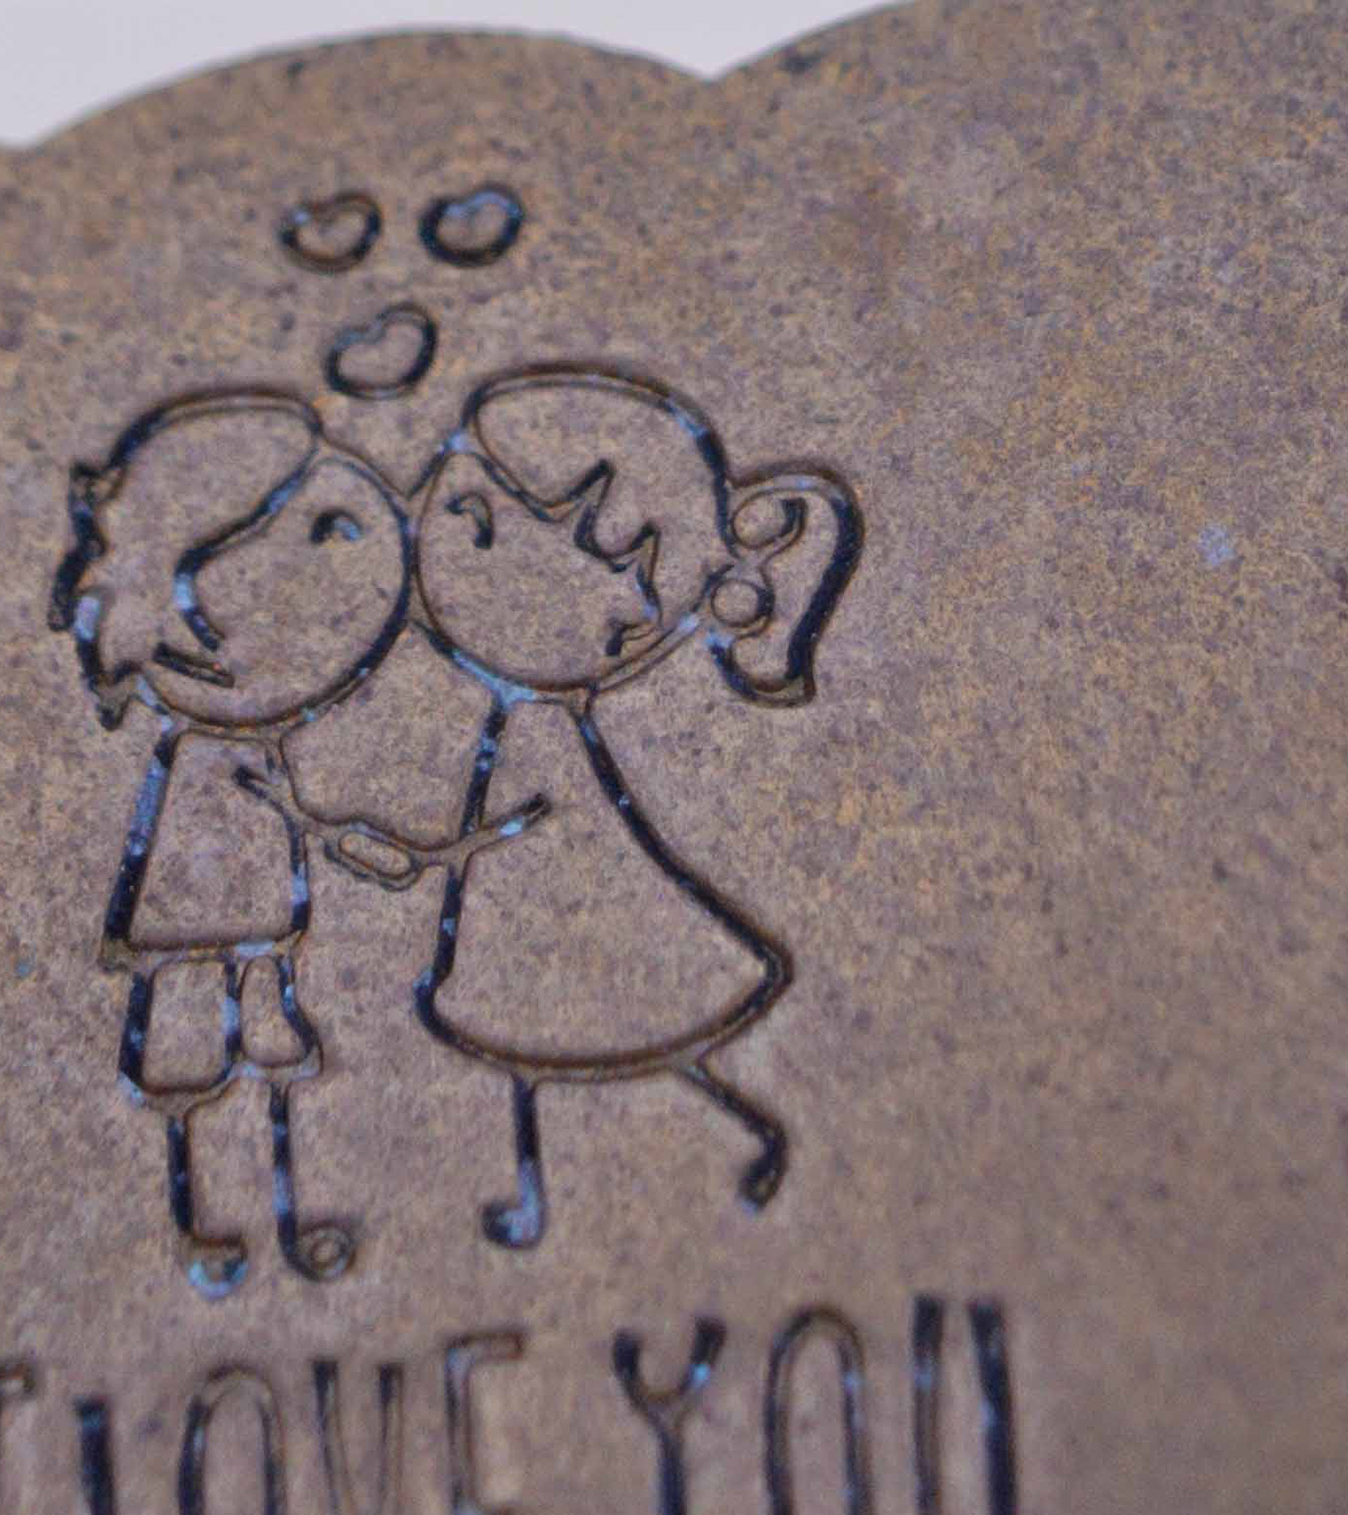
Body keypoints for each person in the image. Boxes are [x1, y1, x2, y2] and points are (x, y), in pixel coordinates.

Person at [401, 364, 861, 1249]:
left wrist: (444, 851)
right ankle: (538, 1196)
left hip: (560, 887)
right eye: (460, 515)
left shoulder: (536, 730)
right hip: (533, 901)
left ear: (628, 622)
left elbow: (527, 815)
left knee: (608, 1030)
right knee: (545, 1045)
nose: (434, 548)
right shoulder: (519, 715)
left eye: (481, 530)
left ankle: (741, 1135)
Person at [51, 388, 419, 1288]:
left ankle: (280, 1220)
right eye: (319, 534)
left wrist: (337, 828)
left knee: (270, 1059)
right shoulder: (200, 750)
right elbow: (248, 810)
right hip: (189, 919)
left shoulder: (251, 745)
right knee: (190, 1065)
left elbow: (285, 807)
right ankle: (204, 1218)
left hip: (256, 912)